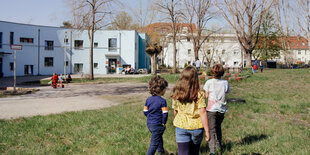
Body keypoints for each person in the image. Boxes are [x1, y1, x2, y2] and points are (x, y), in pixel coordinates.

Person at [171, 66, 210, 155]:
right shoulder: (199, 94)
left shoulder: (176, 93)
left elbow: (175, 110)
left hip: (181, 127)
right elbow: (203, 112)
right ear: (195, 79)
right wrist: (207, 131)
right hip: (197, 128)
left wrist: (177, 119)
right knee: (194, 152)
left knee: (183, 153)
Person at [203, 64, 230, 155]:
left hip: (211, 109)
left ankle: (212, 151)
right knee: (218, 128)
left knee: (211, 130)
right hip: (221, 109)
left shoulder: (209, 82)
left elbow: (206, 96)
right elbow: (226, 93)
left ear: (212, 72)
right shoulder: (225, 82)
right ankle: (219, 147)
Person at [144, 75, 169, 155]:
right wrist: (163, 122)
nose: (166, 90)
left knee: (158, 137)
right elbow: (165, 114)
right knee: (153, 144)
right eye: (165, 88)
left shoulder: (148, 100)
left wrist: (150, 117)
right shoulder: (162, 101)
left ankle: (161, 152)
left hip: (149, 124)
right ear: (161, 90)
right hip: (158, 124)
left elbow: (145, 111)